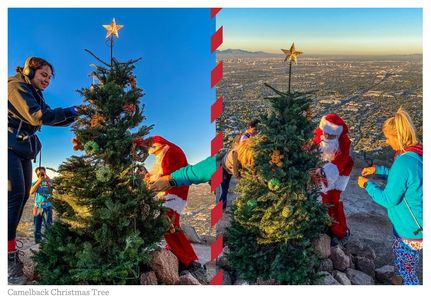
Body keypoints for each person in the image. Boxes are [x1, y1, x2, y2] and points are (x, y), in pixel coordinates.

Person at [8, 56, 80, 284]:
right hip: (7, 146)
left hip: (21, 148)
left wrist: (76, 113)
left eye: (49, 77)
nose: (47, 80)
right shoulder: (16, 86)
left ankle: (9, 248)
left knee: (20, 198)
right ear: (29, 71)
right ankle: (8, 258)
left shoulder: (36, 94)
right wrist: (73, 109)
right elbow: (39, 116)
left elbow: (54, 118)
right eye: (43, 75)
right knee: (14, 196)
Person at [358, 107, 422, 285]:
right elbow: (404, 179)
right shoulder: (416, 153)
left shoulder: (403, 162)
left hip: (409, 230)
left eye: (388, 137)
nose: (387, 142)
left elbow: (388, 199)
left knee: (405, 273)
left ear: (398, 136)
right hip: (419, 224)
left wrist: (367, 184)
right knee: (410, 264)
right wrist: (378, 170)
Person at [134, 135, 206, 281]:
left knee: (169, 225)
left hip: (173, 195)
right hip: (172, 193)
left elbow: (166, 177)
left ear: (155, 144)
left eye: (147, 148)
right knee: (170, 225)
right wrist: (148, 176)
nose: (147, 152)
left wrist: (149, 178)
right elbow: (161, 176)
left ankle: (189, 260)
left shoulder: (169, 152)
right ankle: (181, 255)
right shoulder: (165, 151)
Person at [149, 138, 256, 194]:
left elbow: (198, 172)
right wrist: (170, 180)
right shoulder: (233, 157)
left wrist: (170, 180)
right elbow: (198, 172)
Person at [312, 114, 353, 244]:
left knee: (333, 202)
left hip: (335, 179)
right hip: (317, 176)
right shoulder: (318, 135)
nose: (327, 138)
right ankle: (321, 228)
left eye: (331, 136)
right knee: (319, 200)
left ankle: (339, 231)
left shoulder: (344, 143)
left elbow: (339, 163)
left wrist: (322, 174)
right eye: (326, 134)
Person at [30, 167, 53, 244]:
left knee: (48, 226)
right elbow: (31, 192)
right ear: (36, 174)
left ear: (45, 173)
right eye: (39, 173)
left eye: (42, 173)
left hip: (47, 206)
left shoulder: (49, 182)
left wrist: (47, 180)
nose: (41, 174)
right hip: (37, 207)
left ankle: (49, 242)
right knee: (37, 226)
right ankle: (38, 243)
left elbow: (51, 190)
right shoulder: (35, 182)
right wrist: (39, 181)